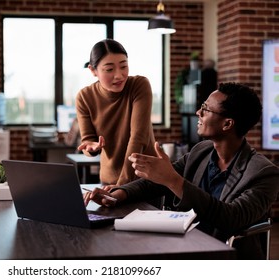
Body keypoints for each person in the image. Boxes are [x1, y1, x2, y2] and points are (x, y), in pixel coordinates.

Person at [84, 82, 279, 259]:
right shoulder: (201, 151)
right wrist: (117, 195)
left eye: (205, 109)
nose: (198, 113)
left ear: (227, 124)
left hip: (224, 258)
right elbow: (154, 182)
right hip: (183, 246)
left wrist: (173, 181)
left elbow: (231, 218)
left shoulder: (264, 173)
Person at [75, 39, 156, 186]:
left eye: (124, 66)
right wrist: (91, 148)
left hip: (145, 181)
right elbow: (87, 141)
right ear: (93, 70)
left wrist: (122, 186)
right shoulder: (84, 97)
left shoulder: (139, 85)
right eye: (109, 69)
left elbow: (138, 137)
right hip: (108, 181)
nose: (119, 75)